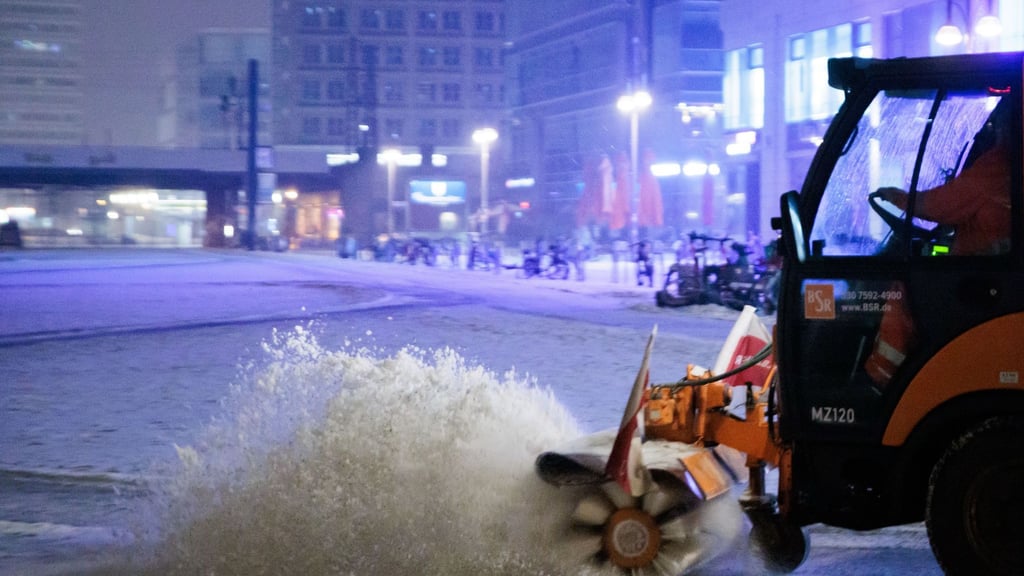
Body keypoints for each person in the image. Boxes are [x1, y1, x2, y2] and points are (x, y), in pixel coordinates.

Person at [865, 106, 1013, 386]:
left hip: (979, 281)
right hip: (991, 274)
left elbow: (938, 206)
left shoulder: (998, 166)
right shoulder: (1008, 168)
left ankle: (882, 380)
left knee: (902, 291)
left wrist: (897, 196)